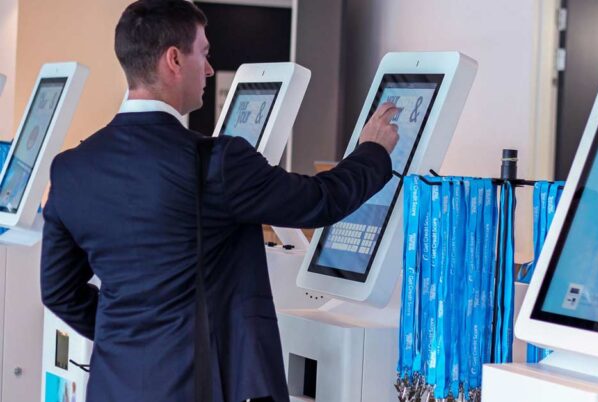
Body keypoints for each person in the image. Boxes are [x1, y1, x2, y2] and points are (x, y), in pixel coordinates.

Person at [39, 1, 399, 401]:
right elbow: (319, 201)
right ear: (174, 59)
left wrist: (128, 334)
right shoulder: (216, 163)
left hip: (112, 386)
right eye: (204, 53)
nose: (210, 69)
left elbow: (58, 292)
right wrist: (373, 152)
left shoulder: (71, 170)